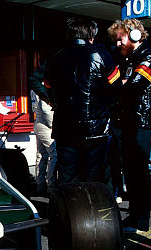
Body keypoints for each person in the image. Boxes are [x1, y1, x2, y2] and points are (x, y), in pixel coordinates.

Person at [44, 17, 120, 187]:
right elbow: (115, 88)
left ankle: (68, 210)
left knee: (67, 174)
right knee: (94, 176)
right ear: (91, 35)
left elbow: (47, 86)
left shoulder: (56, 58)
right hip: (96, 127)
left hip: (64, 126)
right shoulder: (101, 55)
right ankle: (94, 211)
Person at [107, 19, 151, 232]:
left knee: (137, 171)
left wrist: (119, 83)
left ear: (134, 36)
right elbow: (115, 83)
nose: (118, 44)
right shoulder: (126, 59)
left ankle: (140, 220)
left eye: (120, 38)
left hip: (141, 121)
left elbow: (133, 87)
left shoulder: (149, 57)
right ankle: (135, 216)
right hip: (126, 120)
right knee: (129, 170)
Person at [28, 61, 57, 195]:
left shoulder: (35, 88)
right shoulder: (43, 88)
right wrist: (55, 126)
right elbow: (47, 111)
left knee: (41, 154)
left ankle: (40, 183)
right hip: (46, 124)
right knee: (54, 153)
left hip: (38, 123)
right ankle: (51, 185)